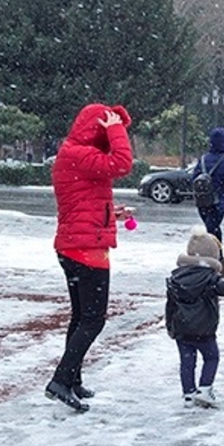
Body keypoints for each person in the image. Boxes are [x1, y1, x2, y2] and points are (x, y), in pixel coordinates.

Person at [44, 103, 134, 412]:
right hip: (86, 250)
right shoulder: (79, 154)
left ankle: (73, 378)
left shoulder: (73, 153)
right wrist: (115, 128)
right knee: (93, 319)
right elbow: (122, 163)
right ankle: (60, 380)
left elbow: (82, 202)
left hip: (74, 244)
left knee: (81, 317)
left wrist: (113, 214)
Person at [165, 226, 224, 408]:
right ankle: (205, 389)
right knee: (211, 357)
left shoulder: (175, 277)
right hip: (204, 329)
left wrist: (170, 326)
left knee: (187, 362)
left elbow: (170, 306)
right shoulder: (209, 278)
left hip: (181, 329)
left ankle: (188, 393)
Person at [191, 127, 224, 243]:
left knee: (211, 228)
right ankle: (215, 255)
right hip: (219, 201)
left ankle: (212, 254)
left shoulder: (203, 158)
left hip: (202, 201)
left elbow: (193, 178)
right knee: (213, 230)